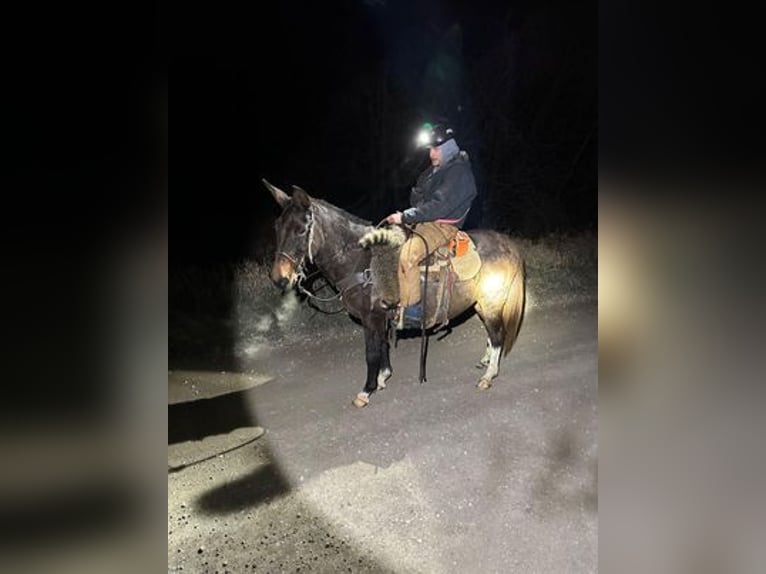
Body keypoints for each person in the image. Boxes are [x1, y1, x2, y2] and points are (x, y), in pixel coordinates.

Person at [384, 122, 477, 321]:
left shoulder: (458, 172)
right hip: (426, 221)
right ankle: (393, 295)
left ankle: (413, 310)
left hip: (443, 226)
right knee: (387, 244)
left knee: (408, 256)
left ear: (447, 148)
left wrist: (405, 216)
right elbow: (419, 201)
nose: (431, 154)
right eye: (430, 150)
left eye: (435, 149)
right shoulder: (433, 171)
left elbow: (438, 206)